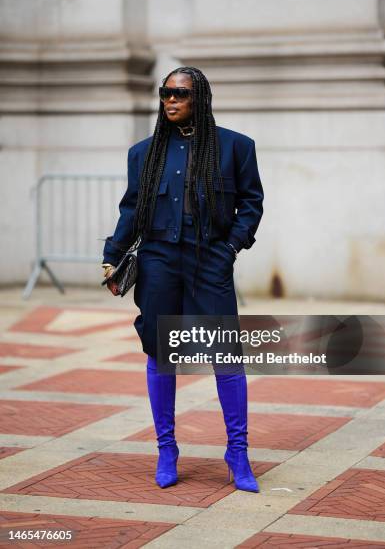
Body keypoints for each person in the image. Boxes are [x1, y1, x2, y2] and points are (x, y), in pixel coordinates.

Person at [102, 66, 264, 492]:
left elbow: (252, 202)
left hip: (209, 260)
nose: (170, 100)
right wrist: (112, 255)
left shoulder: (236, 147)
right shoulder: (144, 152)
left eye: (180, 94)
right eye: (165, 93)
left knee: (226, 357)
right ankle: (167, 449)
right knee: (160, 353)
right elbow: (131, 208)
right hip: (158, 262)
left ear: (200, 99)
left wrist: (230, 248)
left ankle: (238, 452)